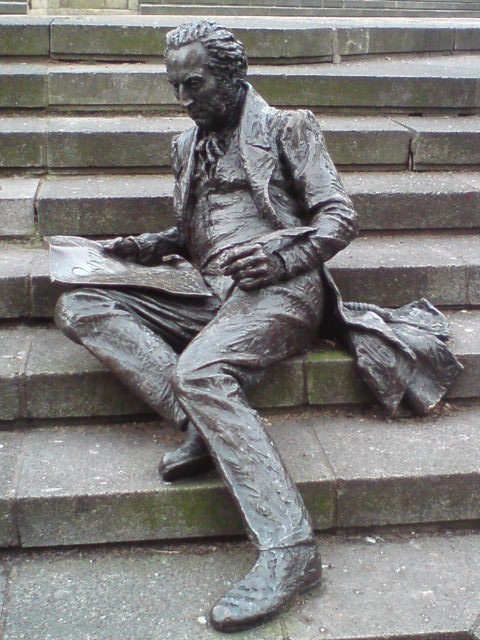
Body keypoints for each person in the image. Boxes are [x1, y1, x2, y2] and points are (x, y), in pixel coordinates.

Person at [53, 19, 461, 632]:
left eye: (194, 85)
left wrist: (283, 258)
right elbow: (202, 227)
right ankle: (204, 424)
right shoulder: (186, 145)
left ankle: (290, 550)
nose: (183, 100)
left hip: (280, 288)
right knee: (79, 305)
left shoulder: (288, 127)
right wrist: (150, 245)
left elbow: (339, 217)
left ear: (232, 75)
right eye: (175, 87)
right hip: (207, 288)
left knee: (200, 371)